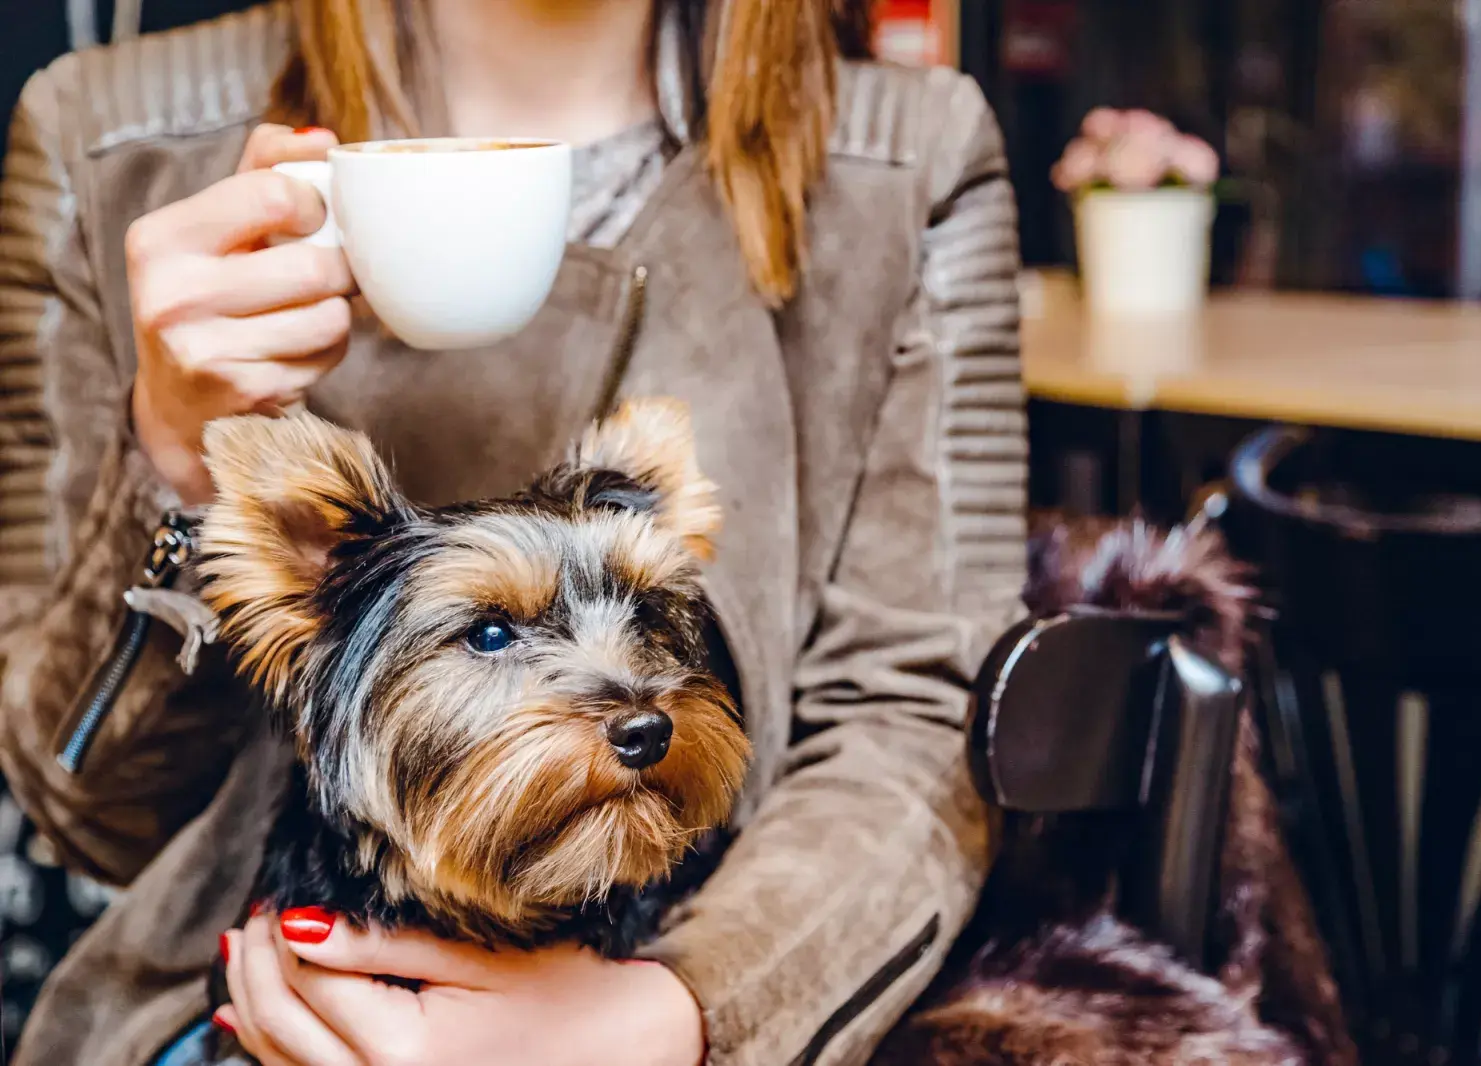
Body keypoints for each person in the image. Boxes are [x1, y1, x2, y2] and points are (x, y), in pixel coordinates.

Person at [0, 0, 1026, 1062]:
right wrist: (170, 450)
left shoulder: (909, 155)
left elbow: (920, 730)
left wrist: (680, 1019)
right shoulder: (107, 134)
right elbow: (91, 814)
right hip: (243, 1004)